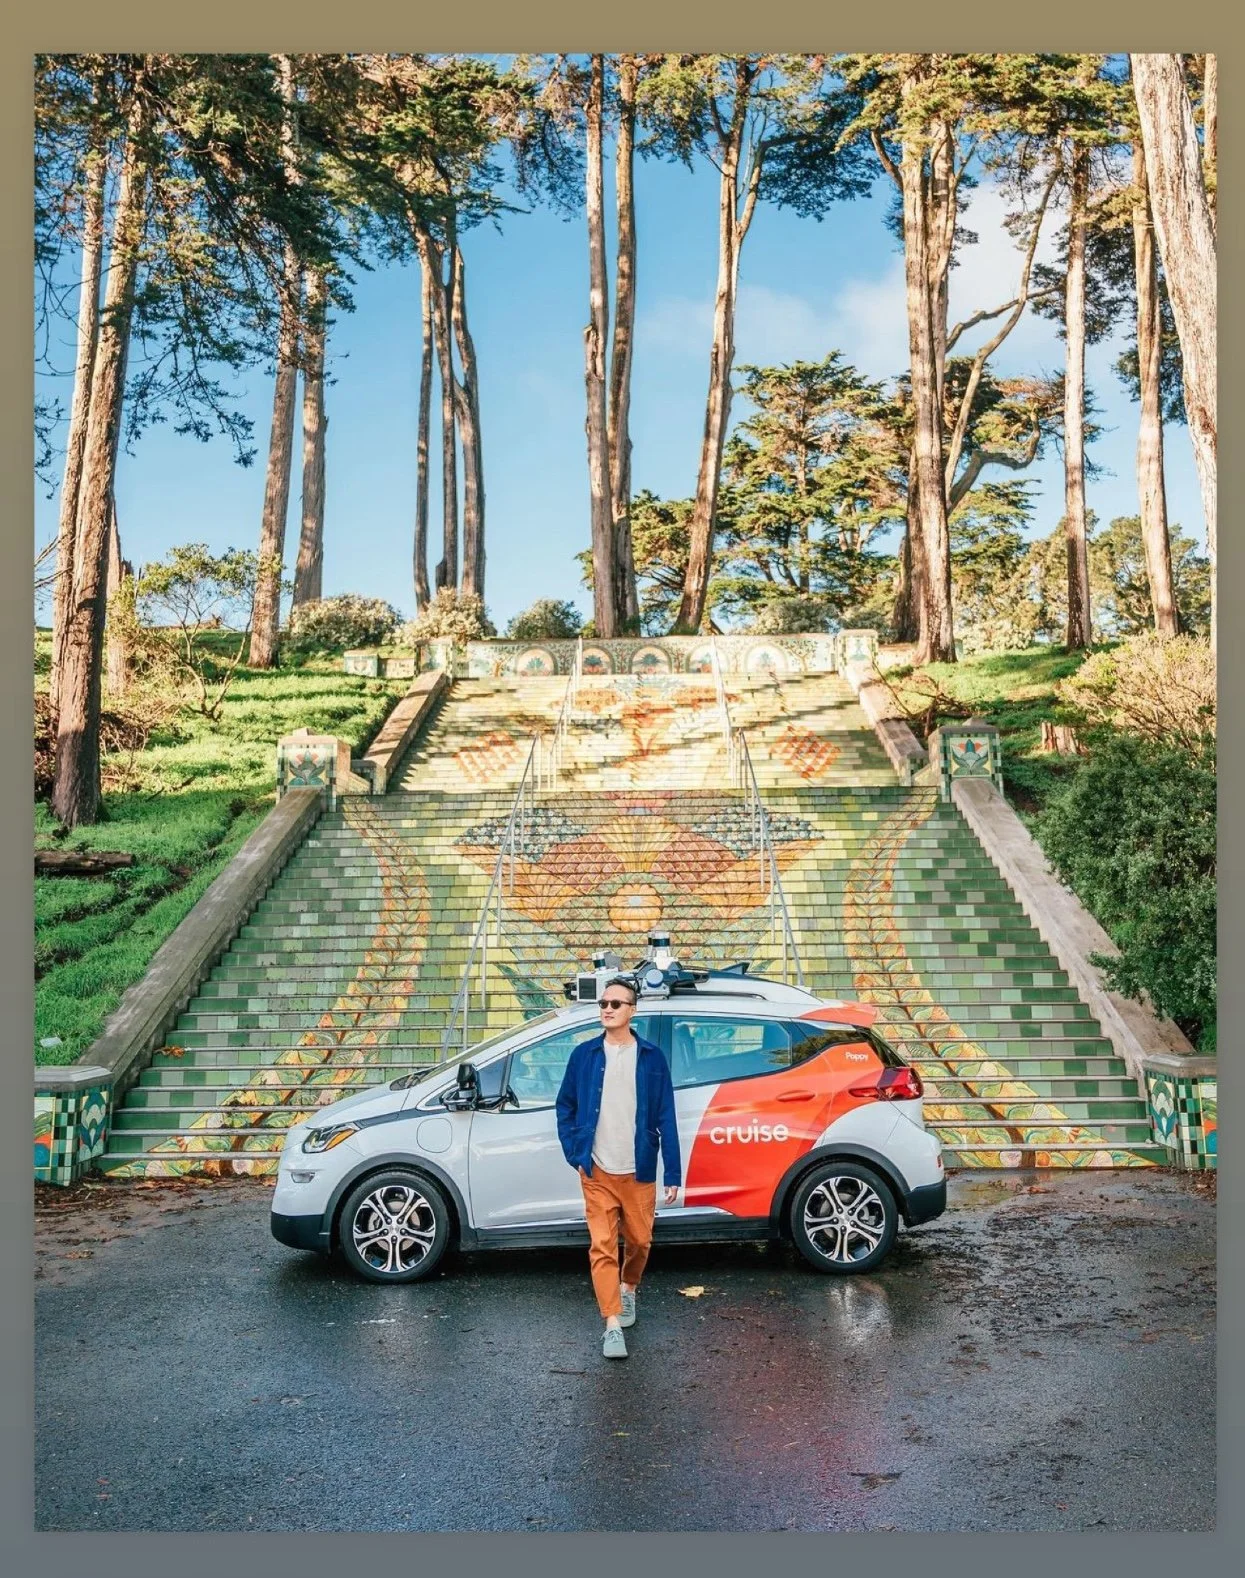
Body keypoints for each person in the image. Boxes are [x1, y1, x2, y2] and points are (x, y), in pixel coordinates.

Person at [555, 975, 681, 1359]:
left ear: (632, 1010)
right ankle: (611, 1324)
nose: (607, 1009)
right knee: (602, 1247)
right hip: (596, 1170)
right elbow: (565, 1106)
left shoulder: (652, 1058)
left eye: (615, 1004)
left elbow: (666, 1115)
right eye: (603, 1004)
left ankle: (629, 1289)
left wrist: (672, 1172)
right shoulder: (584, 1056)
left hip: (638, 1169)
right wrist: (575, 1153)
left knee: (640, 1242)